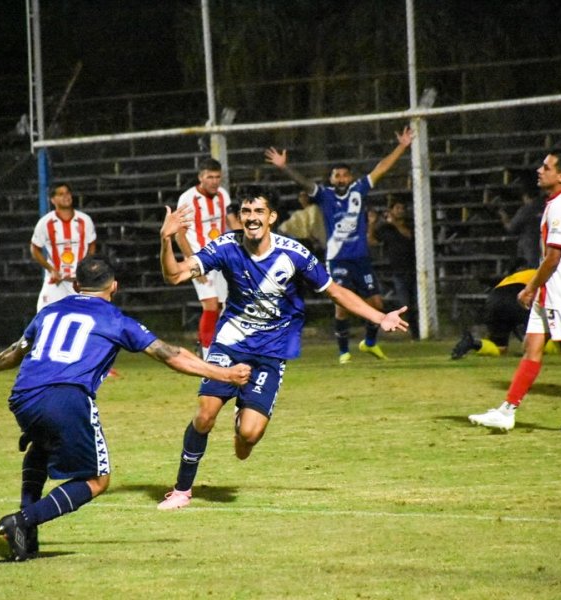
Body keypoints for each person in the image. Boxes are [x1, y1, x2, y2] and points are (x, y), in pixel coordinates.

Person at [0, 256, 251, 561]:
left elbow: (17, 351)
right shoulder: (115, 320)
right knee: (96, 480)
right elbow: (170, 354)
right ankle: (22, 521)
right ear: (114, 287)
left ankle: (26, 534)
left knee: (40, 448)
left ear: (76, 285)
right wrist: (224, 374)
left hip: (23, 395)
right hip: (67, 397)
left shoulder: (49, 311)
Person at [156, 186, 408, 510]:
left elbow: (334, 292)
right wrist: (166, 241)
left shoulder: (294, 254)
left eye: (259, 212)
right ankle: (181, 490)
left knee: (247, 438)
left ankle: (242, 417)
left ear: (272, 217)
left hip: (271, 350)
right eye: (246, 212)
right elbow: (174, 275)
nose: (251, 218)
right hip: (231, 342)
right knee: (205, 414)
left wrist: (379, 316)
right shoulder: (226, 246)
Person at [468, 151, 561, 434]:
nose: (539, 170)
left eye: (546, 167)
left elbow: (554, 257)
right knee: (532, 349)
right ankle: (507, 412)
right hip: (552, 288)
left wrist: (530, 286)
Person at [265, 125, 414, 363]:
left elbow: (382, 168)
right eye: (337, 175)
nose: (342, 179)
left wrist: (402, 146)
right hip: (337, 258)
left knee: (377, 302)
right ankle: (344, 351)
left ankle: (370, 343)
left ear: (351, 177)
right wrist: (284, 167)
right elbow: (304, 183)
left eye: (345, 175)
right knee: (342, 304)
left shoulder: (359, 189)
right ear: (331, 179)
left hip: (361, 259)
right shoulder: (325, 195)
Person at [175, 158, 241, 359]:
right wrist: (192, 263)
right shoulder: (187, 199)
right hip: (200, 260)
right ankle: (205, 354)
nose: (214, 181)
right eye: (209, 177)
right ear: (200, 177)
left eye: (217, 177)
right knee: (211, 304)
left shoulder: (223, 196)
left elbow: (232, 224)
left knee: (226, 306)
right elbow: (180, 234)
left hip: (222, 259)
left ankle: (218, 348)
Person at [30, 183, 97, 312]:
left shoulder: (85, 220)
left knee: (86, 319)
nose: (66, 197)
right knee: (43, 317)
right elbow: (34, 249)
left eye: (67, 193)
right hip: (56, 282)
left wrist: (85, 267)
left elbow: (92, 245)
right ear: (53, 200)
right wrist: (50, 269)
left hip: (79, 283)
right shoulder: (45, 222)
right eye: (61, 194)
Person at [368, 196, 418, 339]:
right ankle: (413, 333)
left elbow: (408, 236)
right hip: (398, 271)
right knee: (405, 304)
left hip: (414, 269)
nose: (400, 211)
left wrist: (395, 223)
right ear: (391, 210)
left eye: (402, 208)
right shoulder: (386, 228)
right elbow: (372, 241)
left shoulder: (410, 224)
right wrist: (372, 224)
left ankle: (419, 331)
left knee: (416, 303)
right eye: (397, 208)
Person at [497, 185, 543, 268]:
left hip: (529, 250)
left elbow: (511, 228)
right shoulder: (547, 207)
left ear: (525, 196)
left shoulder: (526, 210)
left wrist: (503, 216)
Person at [277, 189, 326, 259]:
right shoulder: (297, 213)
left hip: (314, 240)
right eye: (301, 196)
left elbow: (314, 223)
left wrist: (312, 237)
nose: (303, 198)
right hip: (302, 240)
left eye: (305, 196)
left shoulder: (314, 208)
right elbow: (286, 227)